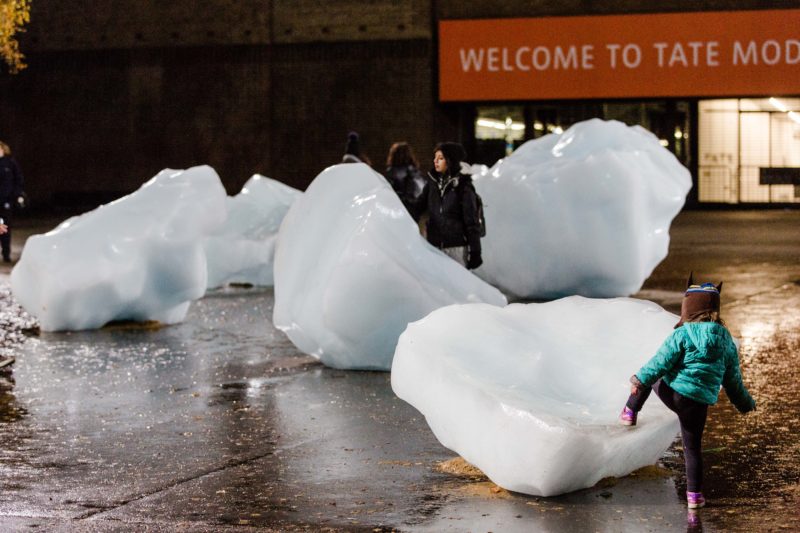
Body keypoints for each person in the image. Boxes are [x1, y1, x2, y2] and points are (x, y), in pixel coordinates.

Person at [619, 274, 756, 509]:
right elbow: (733, 380)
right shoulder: (726, 341)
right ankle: (695, 497)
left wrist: (638, 381)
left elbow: (659, 362)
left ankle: (630, 412)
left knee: (653, 376)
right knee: (693, 449)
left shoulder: (682, 334)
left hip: (675, 394)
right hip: (698, 403)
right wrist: (745, 403)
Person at [412, 142, 482, 269]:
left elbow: (471, 222)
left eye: (440, 158)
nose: (435, 161)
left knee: (457, 286)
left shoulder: (464, 187)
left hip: (456, 249)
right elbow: (418, 207)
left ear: (450, 160)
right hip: (434, 247)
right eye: (435, 157)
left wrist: (475, 251)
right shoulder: (432, 184)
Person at [0, 140, 25, 263]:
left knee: (4, 228)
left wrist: (16, 194)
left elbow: (18, 180)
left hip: (5, 202)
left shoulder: (10, 163)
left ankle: (6, 253)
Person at [384, 142, 425, 215]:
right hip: (415, 208)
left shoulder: (392, 172)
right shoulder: (415, 170)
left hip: (398, 208)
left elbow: (388, 192)